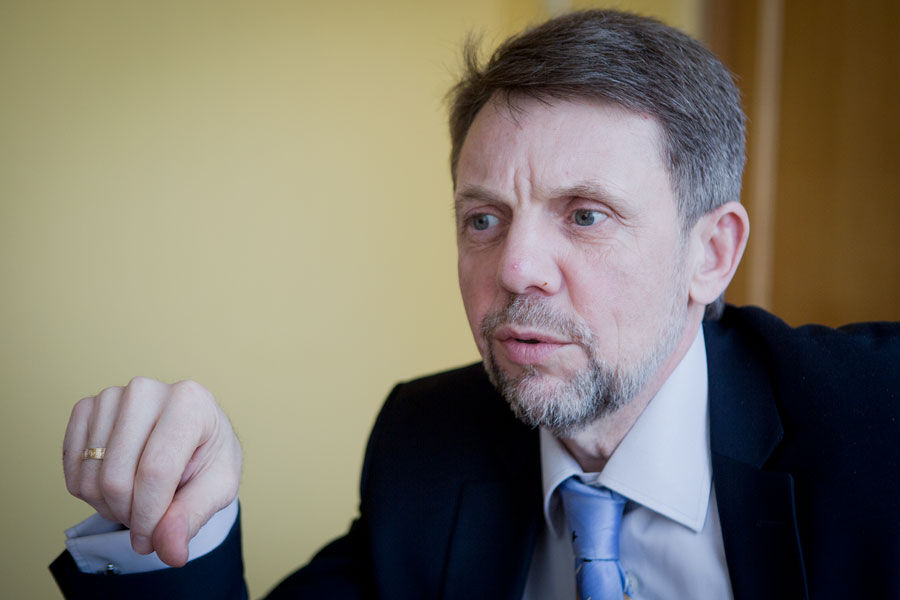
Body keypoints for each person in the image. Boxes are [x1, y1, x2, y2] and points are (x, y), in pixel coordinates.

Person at [50, 9, 900, 600]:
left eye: (586, 215)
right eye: (483, 219)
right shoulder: (428, 443)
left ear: (710, 254)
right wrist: (176, 513)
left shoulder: (877, 421)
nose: (516, 268)